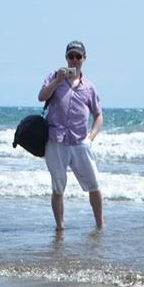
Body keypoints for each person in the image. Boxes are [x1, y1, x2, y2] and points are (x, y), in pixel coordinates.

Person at [37, 39, 103, 232]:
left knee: (94, 185)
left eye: (78, 56)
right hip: (56, 140)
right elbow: (41, 96)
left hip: (79, 141)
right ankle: (60, 227)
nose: (74, 60)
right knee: (58, 187)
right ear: (66, 57)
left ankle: (100, 226)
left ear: (84, 59)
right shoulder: (53, 77)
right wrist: (57, 81)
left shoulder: (89, 87)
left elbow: (98, 115)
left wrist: (90, 138)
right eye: (71, 56)